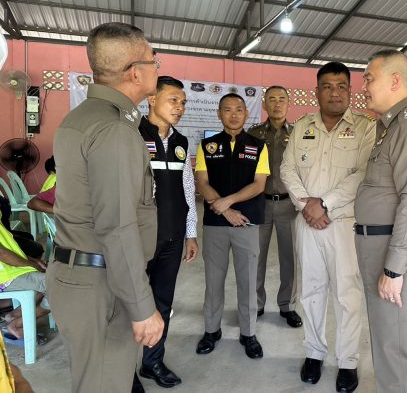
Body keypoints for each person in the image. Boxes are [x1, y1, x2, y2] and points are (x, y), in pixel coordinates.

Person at [46, 22, 164, 393]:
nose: (157, 68)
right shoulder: (114, 129)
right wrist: (142, 307)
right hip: (102, 286)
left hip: (79, 274)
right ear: (135, 72)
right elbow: (117, 226)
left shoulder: (82, 118)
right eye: (154, 60)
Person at [280, 62, 376, 393]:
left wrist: (324, 203)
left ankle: (348, 361)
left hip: (344, 224)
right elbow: (288, 168)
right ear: (317, 91)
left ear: (350, 90)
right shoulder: (302, 126)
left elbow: (363, 173)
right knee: (311, 291)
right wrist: (306, 205)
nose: (334, 93)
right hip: (307, 222)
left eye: (341, 86)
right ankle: (314, 353)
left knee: (347, 294)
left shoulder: (365, 128)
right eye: (327, 86)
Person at [355, 50, 407, 393]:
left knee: (397, 346)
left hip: (396, 252)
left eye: (368, 79)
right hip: (380, 246)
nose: (363, 87)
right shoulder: (391, 126)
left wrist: (394, 270)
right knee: (387, 340)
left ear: (394, 80)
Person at [194, 93, 269, 360]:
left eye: (239, 109)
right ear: (219, 114)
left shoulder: (259, 146)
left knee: (248, 281)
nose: (234, 114)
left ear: (246, 113)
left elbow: (259, 185)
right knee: (213, 281)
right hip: (215, 223)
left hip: (247, 223)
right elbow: (202, 182)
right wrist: (226, 211)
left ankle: (248, 333)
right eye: (227, 109)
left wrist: (229, 201)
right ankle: (211, 331)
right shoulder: (207, 145)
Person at [136, 75, 199, 389]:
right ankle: (125, 371)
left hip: (172, 237)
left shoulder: (181, 142)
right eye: (173, 99)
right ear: (152, 98)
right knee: (131, 305)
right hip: (139, 239)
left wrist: (190, 232)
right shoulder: (132, 134)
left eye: (183, 102)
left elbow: (188, 188)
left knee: (162, 302)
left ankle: (152, 362)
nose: (180, 107)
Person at [248, 86, 302, 328]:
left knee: (289, 257)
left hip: (289, 205)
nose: (277, 104)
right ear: (264, 104)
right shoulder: (254, 134)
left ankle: (287, 305)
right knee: (255, 256)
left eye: (282, 99)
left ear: (289, 104)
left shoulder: (299, 133)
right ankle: (256, 303)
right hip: (260, 203)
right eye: (272, 99)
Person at [0, 210, 49, 342]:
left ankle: (14, 316)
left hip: (10, 270)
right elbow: (2, 253)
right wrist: (32, 265)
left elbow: (6, 246)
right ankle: (17, 325)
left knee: (53, 275)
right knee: (60, 286)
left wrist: (32, 260)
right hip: (6, 275)